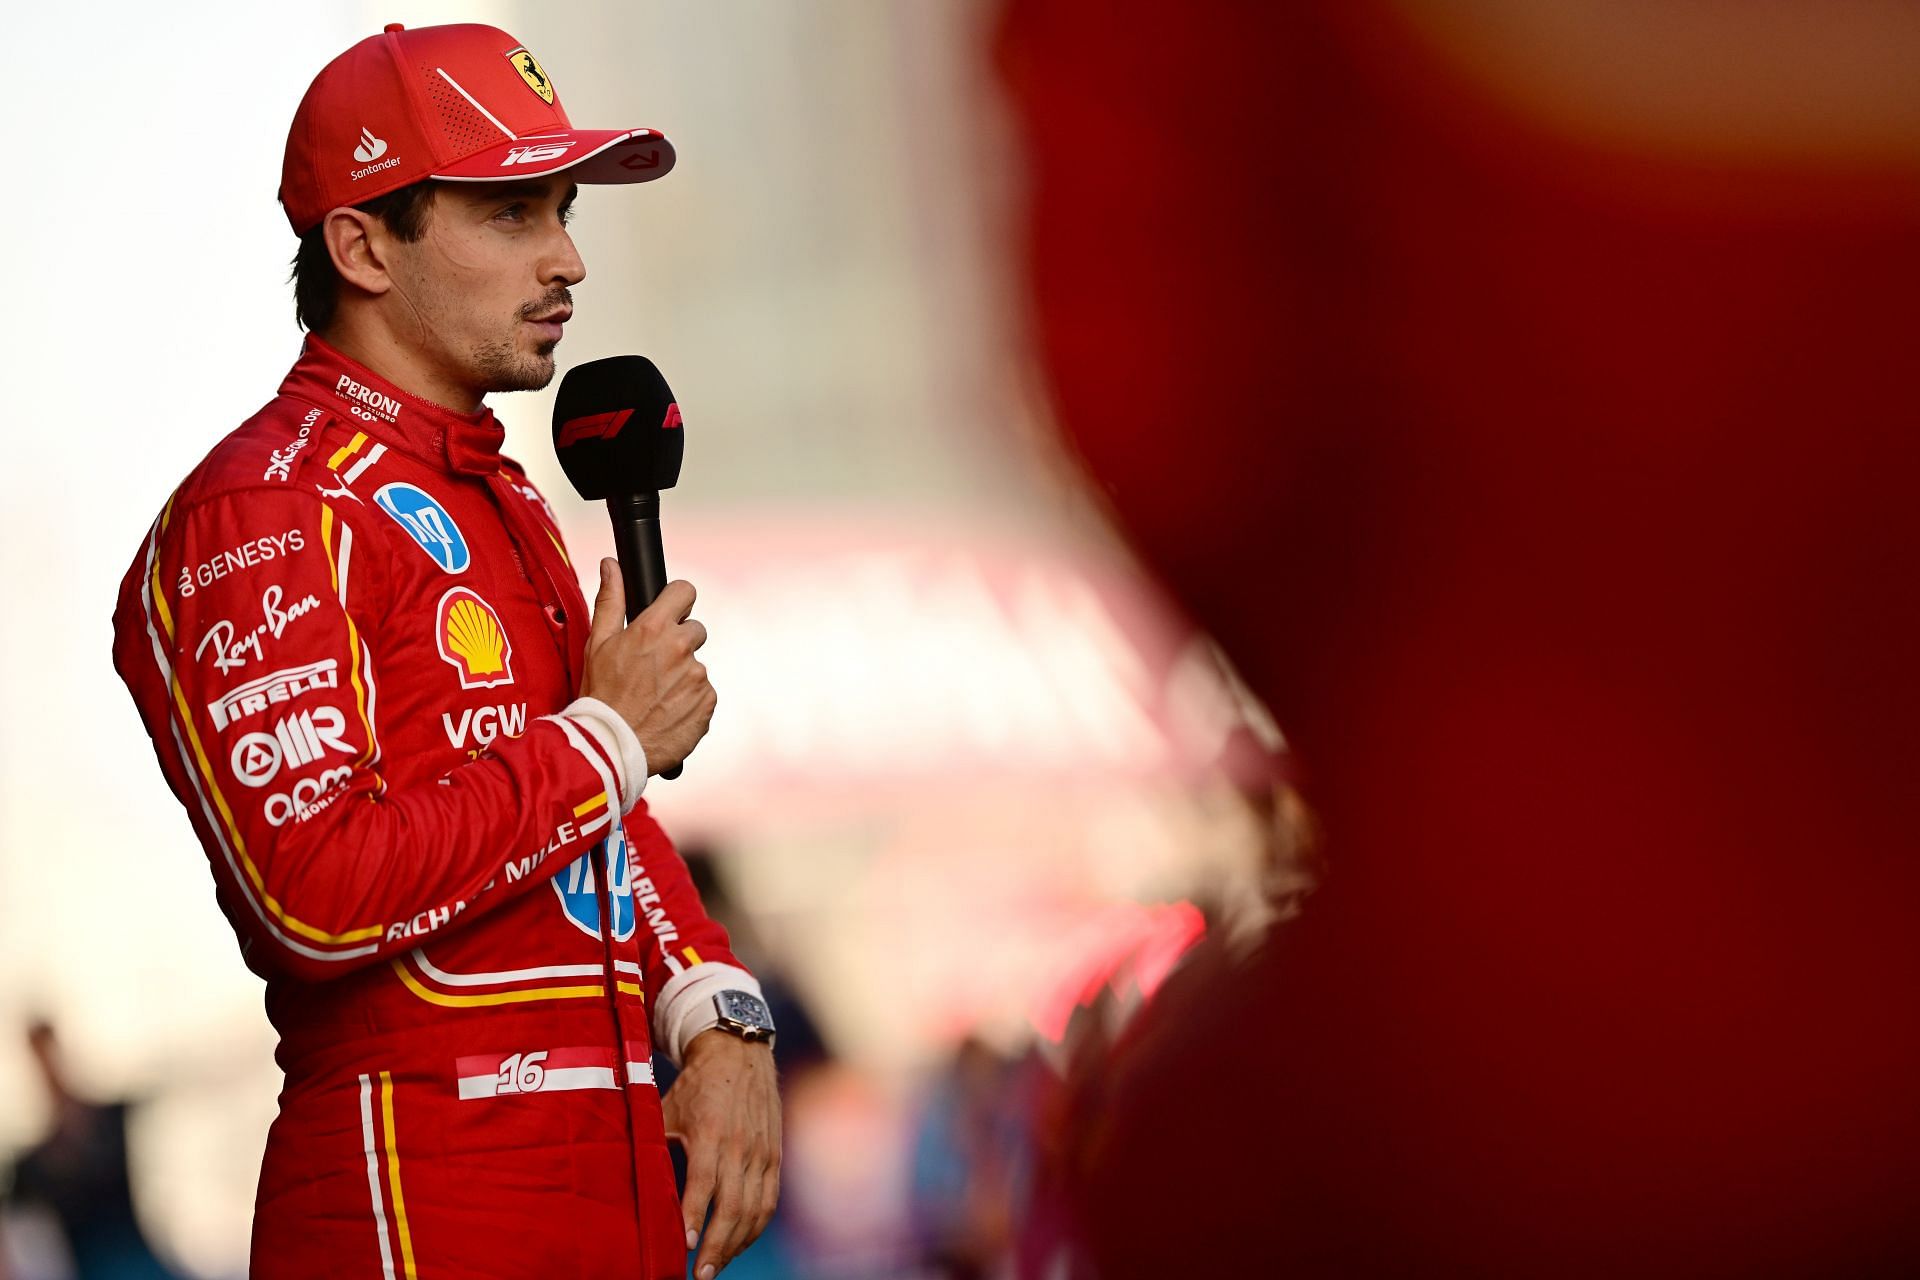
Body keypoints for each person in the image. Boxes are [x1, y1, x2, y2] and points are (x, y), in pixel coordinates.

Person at [110, 24, 779, 1280]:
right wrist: (608, 735)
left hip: (618, 1188)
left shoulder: (503, 495)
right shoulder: (259, 513)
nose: (569, 259)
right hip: (414, 1201)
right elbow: (313, 889)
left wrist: (714, 1009)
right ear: (363, 244)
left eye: (564, 211)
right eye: (512, 213)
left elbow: (587, 809)